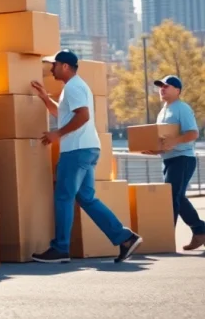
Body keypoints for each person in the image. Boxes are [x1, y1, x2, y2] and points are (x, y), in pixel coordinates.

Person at [30, 50, 142, 264]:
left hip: (76, 150)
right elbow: (63, 115)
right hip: (86, 149)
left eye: (53, 65)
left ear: (64, 66)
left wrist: (57, 134)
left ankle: (60, 248)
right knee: (86, 198)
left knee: (64, 197)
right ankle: (125, 238)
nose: (50, 69)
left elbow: (83, 115)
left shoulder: (73, 87)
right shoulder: (72, 88)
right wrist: (45, 98)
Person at [144, 75, 205, 250]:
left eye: (167, 86)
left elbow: (193, 133)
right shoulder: (162, 111)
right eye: (160, 86)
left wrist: (175, 142)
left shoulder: (182, 108)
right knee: (176, 196)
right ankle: (200, 230)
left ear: (177, 91)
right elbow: (165, 141)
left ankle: (166, 238)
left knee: (172, 197)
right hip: (169, 159)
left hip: (183, 159)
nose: (162, 89)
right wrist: (155, 149)